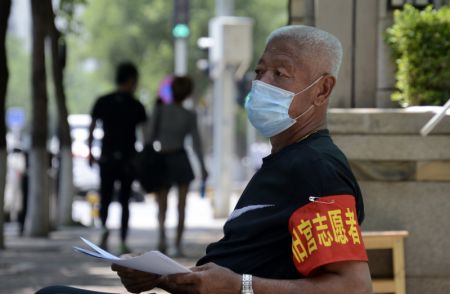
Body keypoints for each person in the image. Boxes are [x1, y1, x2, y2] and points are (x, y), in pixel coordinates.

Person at [37, 25, 372, 294]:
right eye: (260, 71)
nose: (261, 83)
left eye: (280, 74)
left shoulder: (318, 170)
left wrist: (239, 287)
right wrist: (165, 276)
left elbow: (353, 286)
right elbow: (233, 270)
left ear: (323, 89)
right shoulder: (285, 162)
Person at [88, 61, 147, 254]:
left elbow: (92, 126)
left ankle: (104, 229)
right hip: (128, 160)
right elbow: (144, 134)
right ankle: (122, 239)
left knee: (105, 196)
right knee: (124, 201)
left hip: (106, 158)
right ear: (131, 80)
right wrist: (142, 157)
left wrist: (90, 150)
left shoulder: (103, 101)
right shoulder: (136, 105)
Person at [147, 76, 208, 256]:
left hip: (162, 159)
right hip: (181, 159)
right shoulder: (189, 115)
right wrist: (203, 168)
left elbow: (149, 137)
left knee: (162, 204)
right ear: (188, 93)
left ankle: (162, 239)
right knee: (182, 205)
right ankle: (178, 244)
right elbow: (196, 143)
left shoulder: (160, 110)